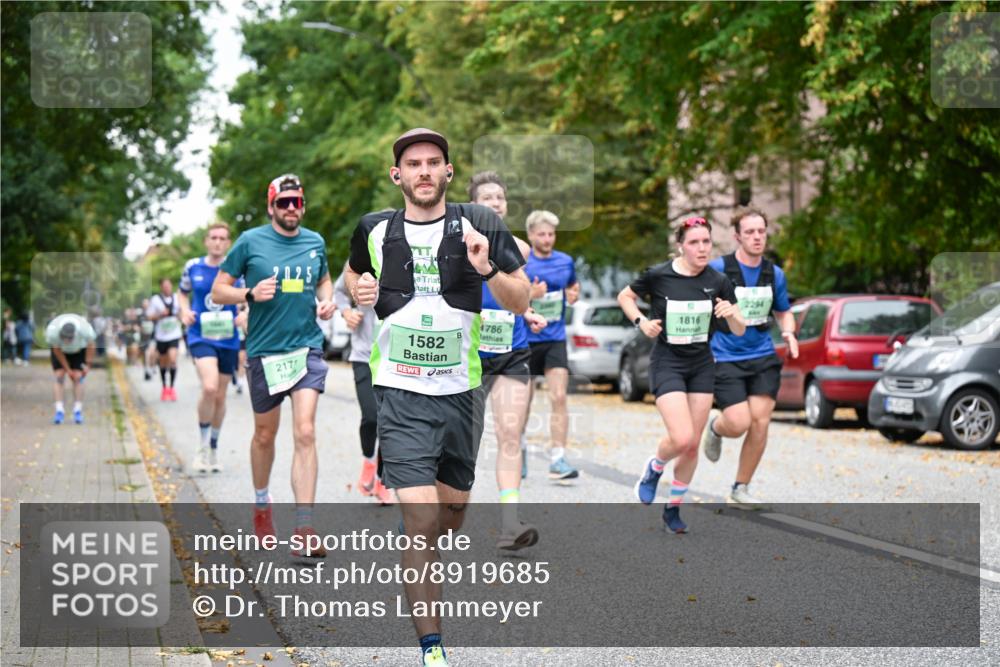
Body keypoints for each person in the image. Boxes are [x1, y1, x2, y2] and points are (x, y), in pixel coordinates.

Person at [345, 129, 529, 667]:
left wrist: (486, 267)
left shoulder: (481, 222)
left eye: (433, 162)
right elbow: (353, 274)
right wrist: (357, 291)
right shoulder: (374, 229)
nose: (423, 171)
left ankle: (420, 539)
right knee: (423, 522)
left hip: (461, 395)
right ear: (396, 175)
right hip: (400, 392)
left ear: (448, 171)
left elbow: (521, 300)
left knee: (449, 516)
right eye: (413, 164)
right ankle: (433, 649)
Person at [212, 173, 335, 563]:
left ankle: (304, 528)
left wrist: (327, 301)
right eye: (284, 202)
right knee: (265, 436)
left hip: (306, 348)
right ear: (271, 206)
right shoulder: (250, 242)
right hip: (265, 352)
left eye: (297, 202)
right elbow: (218, 290)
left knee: (305, 431)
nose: (291, 208)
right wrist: (249, 292)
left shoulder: (315, 242)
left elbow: (324, 280)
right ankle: (262, 503)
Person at [618, 216, 745, 533]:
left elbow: (740, 329)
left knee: (691, 446)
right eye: (694, 242)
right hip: (668, 362)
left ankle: (673, 509)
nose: (702, 248)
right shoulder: (659, 275)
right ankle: (655, 466)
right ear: (680, 246)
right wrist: (641, 322)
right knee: (682, 436)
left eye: (706, 242)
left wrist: (732, 314)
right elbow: (625, 296)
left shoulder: (718, 280)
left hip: (701, 364)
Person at [468, 171, 548, 549]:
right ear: (472, 206)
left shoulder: (519, 248)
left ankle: (510, 524)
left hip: (511, 353)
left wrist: (527, 312)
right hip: (466, 355)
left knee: (510, 433)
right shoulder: (453, 246)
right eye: (487, 198)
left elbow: (515, 291)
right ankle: (430, 516)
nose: (495, 203)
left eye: (500, 198)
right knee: (460, 442)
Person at [700, 207, 799, 507]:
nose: (757, 237)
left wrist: (788, 332)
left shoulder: (774, 274)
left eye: (761, 231)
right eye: (750, 232)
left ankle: (740, 487)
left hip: (762, 355)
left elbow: (783, 311)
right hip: (725, 355)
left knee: (760, 421)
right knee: (738, 422)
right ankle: (716, 427)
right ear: (737, 237)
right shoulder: (718, 269)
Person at [178, 222, 246, 474]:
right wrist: (184, 311)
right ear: (206, 241)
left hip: (228, 338)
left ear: (228, 243)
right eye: (213, 237)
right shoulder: (192, 266)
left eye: (222, 238)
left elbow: (246, 297)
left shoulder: (236, 269)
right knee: (209, 387)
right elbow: (182, 293)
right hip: (201, 336)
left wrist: (244, 313)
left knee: (220, 395)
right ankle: (202, 447)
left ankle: (214, 447)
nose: (217, 242)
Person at [523, 210, 582, 481]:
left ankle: (558, 458)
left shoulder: (565, 261)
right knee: (523, 401)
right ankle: (519, 450)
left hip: (555, 339)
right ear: (531, 235)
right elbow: (508, 295)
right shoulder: (522, 262)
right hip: (526, 340)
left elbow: (573, 287)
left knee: (559, 397)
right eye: (542, 234)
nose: (547, 239)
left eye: (551, 234)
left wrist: (573, 294)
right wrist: (530, 294)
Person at [333, 263, 394, 505]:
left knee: (390, 420)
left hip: (395, 357)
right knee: (371, 416)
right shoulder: (360, 259)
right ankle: (369, 461)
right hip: (364, 355)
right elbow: (339, 291)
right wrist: (346, 312)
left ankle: (382, 479)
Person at [44, 313, 97, 424]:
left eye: (69, 339)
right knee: (59, 376)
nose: (67, 341)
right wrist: (68, 370)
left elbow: (91, 345)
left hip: (78, 350)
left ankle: (77, 409)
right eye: (64, 338)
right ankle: (59, 410)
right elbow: (57, 350)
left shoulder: (85, 329)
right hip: (60, 351)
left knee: (78, 377)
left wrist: (88, 365)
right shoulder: (52, 332)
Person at [147, 279, 183, 401]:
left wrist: (180, 315)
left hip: (174, 335)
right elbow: (149, 316)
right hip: (161, 336)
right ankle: (164, 387)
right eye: (165, 286)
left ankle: (172, 388)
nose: (167, 288)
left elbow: (182, 313)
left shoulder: (177, 298)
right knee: (163, 363)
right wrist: (160, 314)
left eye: (169, 285)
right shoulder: (156, 300)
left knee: (172, 360)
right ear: (161, 287)